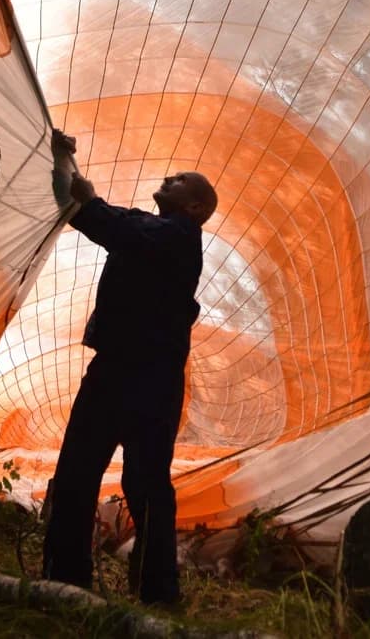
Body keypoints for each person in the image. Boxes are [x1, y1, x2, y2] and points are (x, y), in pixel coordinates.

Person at [42, 128, 217, 606]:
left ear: (196, 208)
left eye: (181, 179)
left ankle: (82, 580)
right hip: (131, 373)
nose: (169, 177)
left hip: (140, 376)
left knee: (123, 479)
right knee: (123, 479)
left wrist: (65, 162)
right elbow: (85, 209)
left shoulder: (178, 236)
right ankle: (128, 589)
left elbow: (95, 214)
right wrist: (64, 159)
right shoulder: (149, 228)